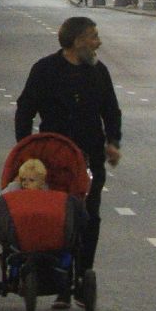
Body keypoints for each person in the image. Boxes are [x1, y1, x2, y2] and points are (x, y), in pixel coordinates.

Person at [14, 16, 123, 296]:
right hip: (54, 158)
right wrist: (25, 149)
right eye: (93, 37)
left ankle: (81, 274)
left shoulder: (99, 73)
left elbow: (111, 110)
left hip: (89, 158)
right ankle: (55, 273)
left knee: (89, 216)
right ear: (77, 42)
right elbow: (25, 108)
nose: (98, 43)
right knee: (55, 215)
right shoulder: (45, 70)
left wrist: (113, 142)